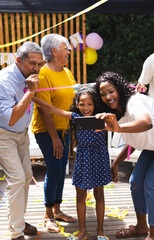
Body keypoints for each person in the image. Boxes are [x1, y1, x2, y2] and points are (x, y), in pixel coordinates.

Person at [33, 87, 112, 240]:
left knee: (99, 194)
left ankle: (100, 230)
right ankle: (82, 232)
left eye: (89, 104)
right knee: (80, 195)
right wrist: (32, 96)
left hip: (99, 158)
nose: (86, 108)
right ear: (77, 104)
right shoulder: (75, 117)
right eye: (82, 104)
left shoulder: (103, 117)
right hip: (83, 159)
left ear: (95, 104)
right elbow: (51, 108)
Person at [95, 71, 154, 240]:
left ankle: (153, 235)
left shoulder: (135, 101)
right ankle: (141, 227)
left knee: (151, 184)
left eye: (111, 91)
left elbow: (146, 122)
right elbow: (132, 139)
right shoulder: (119, 112)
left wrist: (117, 128)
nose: (108, 97)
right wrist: (115, 163)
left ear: (119, 89)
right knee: (136, 181)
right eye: (103, 94)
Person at [31, 33, 76, 233]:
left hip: (65, 129)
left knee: (61, 168)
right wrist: (55, 138)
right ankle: (48, 214)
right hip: (47, 131)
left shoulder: (66, 71)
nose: (69, 51)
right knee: (55, 169)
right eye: (66, 47)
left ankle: (57, 210)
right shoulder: (44, 74)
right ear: (55, 51)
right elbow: (44, 108)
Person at [0, 41, 44, 240]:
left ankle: (19, 220)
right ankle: (16, 233)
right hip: (4, 135)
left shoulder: (29, 77)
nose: (36, 69)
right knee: (17, 178)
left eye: (40, 64)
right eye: (32, 64)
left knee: (26, 176)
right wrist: (31, 91)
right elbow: (10, 117)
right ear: (18, 61)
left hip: (22, 134)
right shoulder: (4, 81)